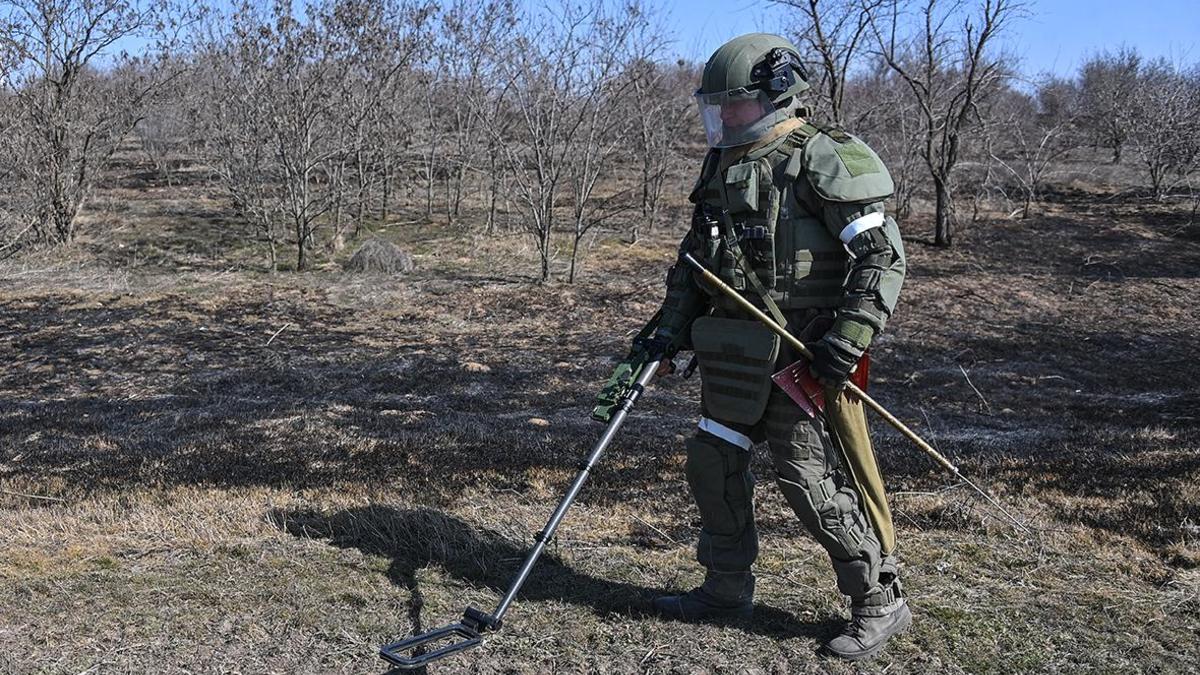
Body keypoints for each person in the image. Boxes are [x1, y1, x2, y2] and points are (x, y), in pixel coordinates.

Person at [644, 33, 911, 660]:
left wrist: (847, 338)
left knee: (807, 477)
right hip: (733, 349)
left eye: (730, 104)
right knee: (713, 463)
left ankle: (879, 598)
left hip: (804, 356)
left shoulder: (825, 158)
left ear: (774, 95)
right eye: (714, 105)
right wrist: (664, 331)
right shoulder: (722, 165)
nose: (720, 117)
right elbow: (695, 264)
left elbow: (881, 256)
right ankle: (725, 587)